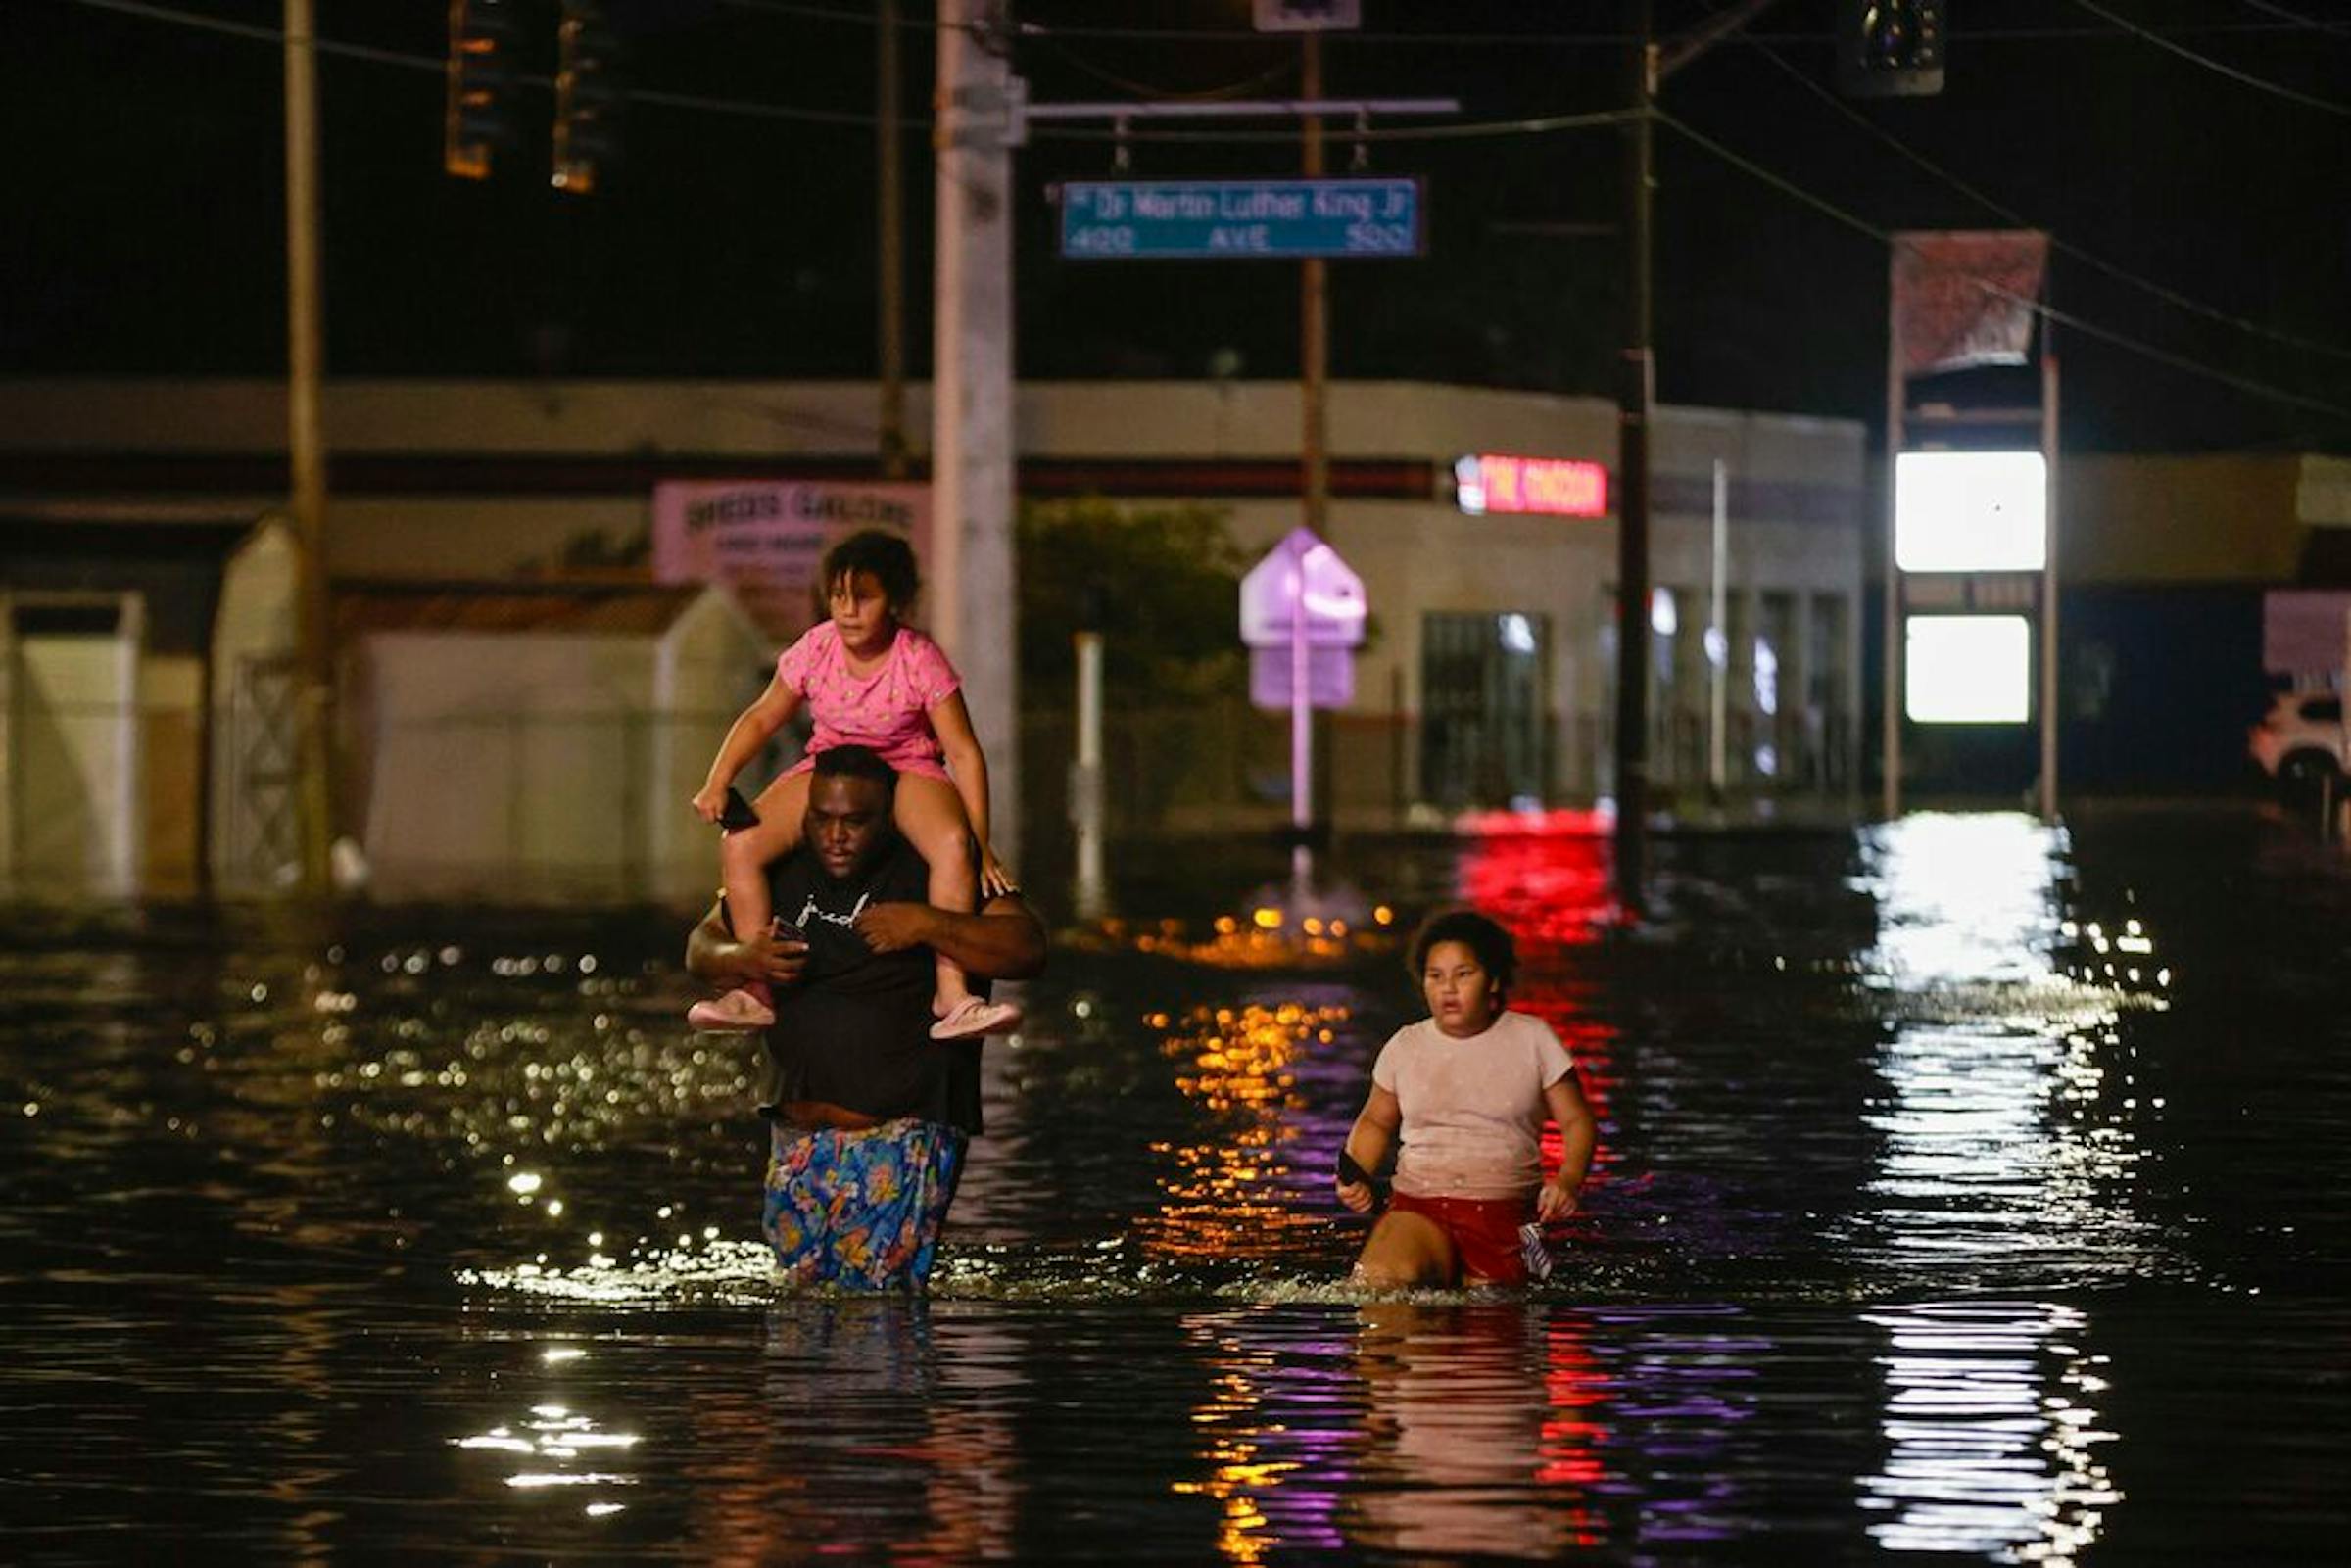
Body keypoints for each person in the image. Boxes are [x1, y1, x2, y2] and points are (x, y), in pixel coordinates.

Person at [686, 745, 1046, 1292]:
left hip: (900, 1133)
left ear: (890, 819)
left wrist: (929, 925)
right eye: (822, 818)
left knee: (877, 1313)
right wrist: (742, 959)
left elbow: (1026, 946)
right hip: (798, 1140)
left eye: (855, 821)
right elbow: (701, 945)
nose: (836, 835)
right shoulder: (779, 867)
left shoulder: (939, 868)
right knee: (801, 1305)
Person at [689, 529, 1019, 1040]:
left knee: (953, 846)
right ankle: (754, 990)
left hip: (905, 765)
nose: (848, 610)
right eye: (838, 597)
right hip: (831, 766)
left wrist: (982, 843)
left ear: (896, 600)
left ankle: (952, 993)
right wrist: (718, 780)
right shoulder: (815, 648)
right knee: (742, 842)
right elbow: (760, 718)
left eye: (864, 597)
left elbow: (962, 751)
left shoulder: (919, 657)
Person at [1336, 909, 1597, 1289]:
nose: (1448, 989)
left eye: (1463, 975)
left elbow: (1577, 1121)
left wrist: (1569, 1180)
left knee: (1491, 1324)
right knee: (1378, 1286)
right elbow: (1376, 1120)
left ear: (1492, 979)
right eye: (1435, 976)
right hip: (1416, 1206)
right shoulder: (1405, 1045)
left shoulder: (1533, 1039)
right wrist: (1355, 1174)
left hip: (1502, 1217)